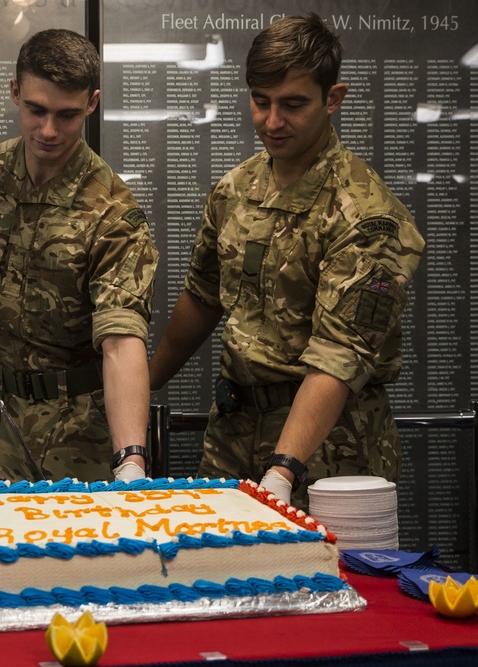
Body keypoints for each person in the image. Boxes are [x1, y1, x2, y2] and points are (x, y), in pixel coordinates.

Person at [148, 14, 425, 507]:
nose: (272, 122)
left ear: (332, 99)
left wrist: (283, 469)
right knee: (216, 578)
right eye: (261, 102)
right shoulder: (236, 189)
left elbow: (338, 358)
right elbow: (203, 296)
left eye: (293, 105)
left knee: (326, 582)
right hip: (233, 432)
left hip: (328, 450)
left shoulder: (366, 215)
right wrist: (142, 384)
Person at [0, 28, 158, 484]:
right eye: (36, 110)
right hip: (6, 415)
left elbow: (121, 340)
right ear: (15, 92)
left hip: (81, 428)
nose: (48, 130)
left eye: (67, 115)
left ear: (92, 104)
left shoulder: (112, 211)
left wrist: (131, 458)